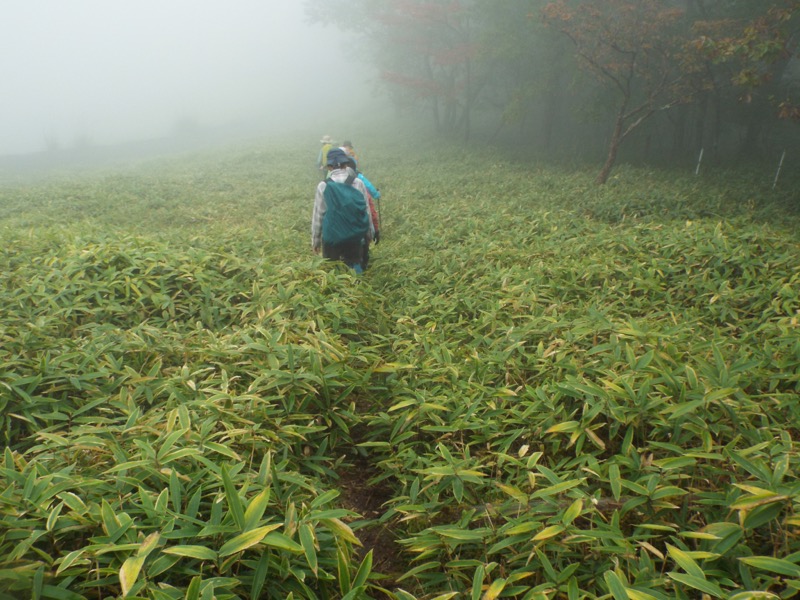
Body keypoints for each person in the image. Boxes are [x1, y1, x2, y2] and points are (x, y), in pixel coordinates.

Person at [311, 147, 374, 274]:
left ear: (329, 167)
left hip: (332, 237)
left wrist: (315, 240)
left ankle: (336, 292)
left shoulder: (323, 185)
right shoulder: (358, 183)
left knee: (332, 271)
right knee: (355, 266)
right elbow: (366, 211)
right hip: (354, 234)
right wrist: (369, 233)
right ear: (346, 164)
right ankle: (357, 289)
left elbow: (319, 215)